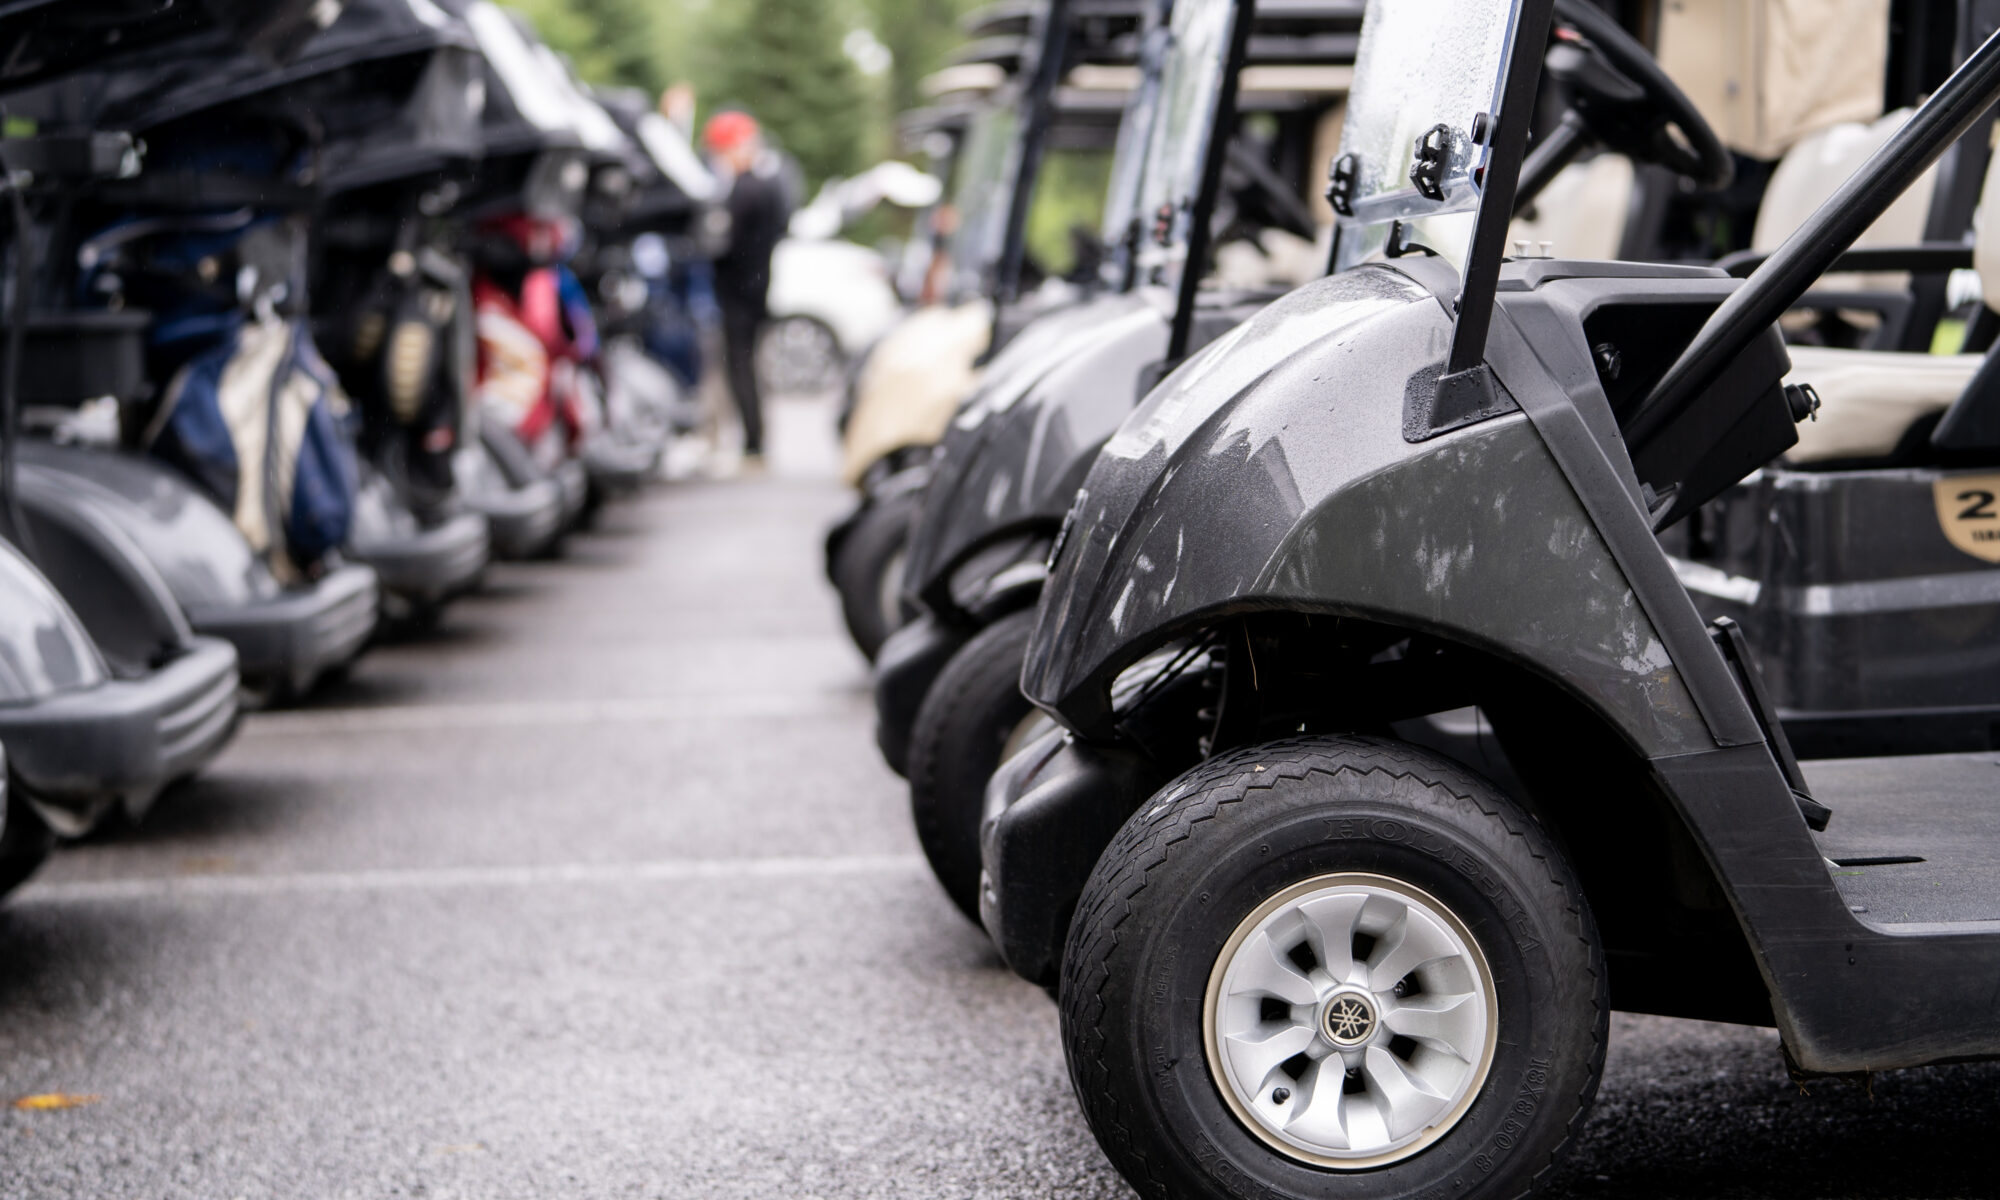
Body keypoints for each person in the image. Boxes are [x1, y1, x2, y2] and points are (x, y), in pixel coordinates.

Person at [702, 110, 790, 466]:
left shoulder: (745, 190)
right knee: (747, 365)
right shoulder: (768, 185)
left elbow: (726, 244)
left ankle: (753, 443)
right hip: (755, 288)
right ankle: (754, 439)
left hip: (739, 293)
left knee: (740, 366)